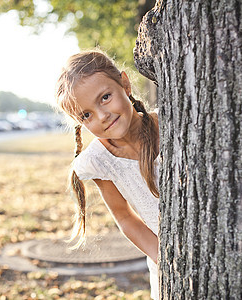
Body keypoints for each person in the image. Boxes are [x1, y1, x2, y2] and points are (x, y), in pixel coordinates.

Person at [55, 49, 160, 299]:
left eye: (105, 97)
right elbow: (124, 217)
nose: (103, 116)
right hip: (164, 258)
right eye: (87, 115)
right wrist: (164, 258)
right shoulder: (100, 161)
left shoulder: (170, 124)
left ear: (125, 83)